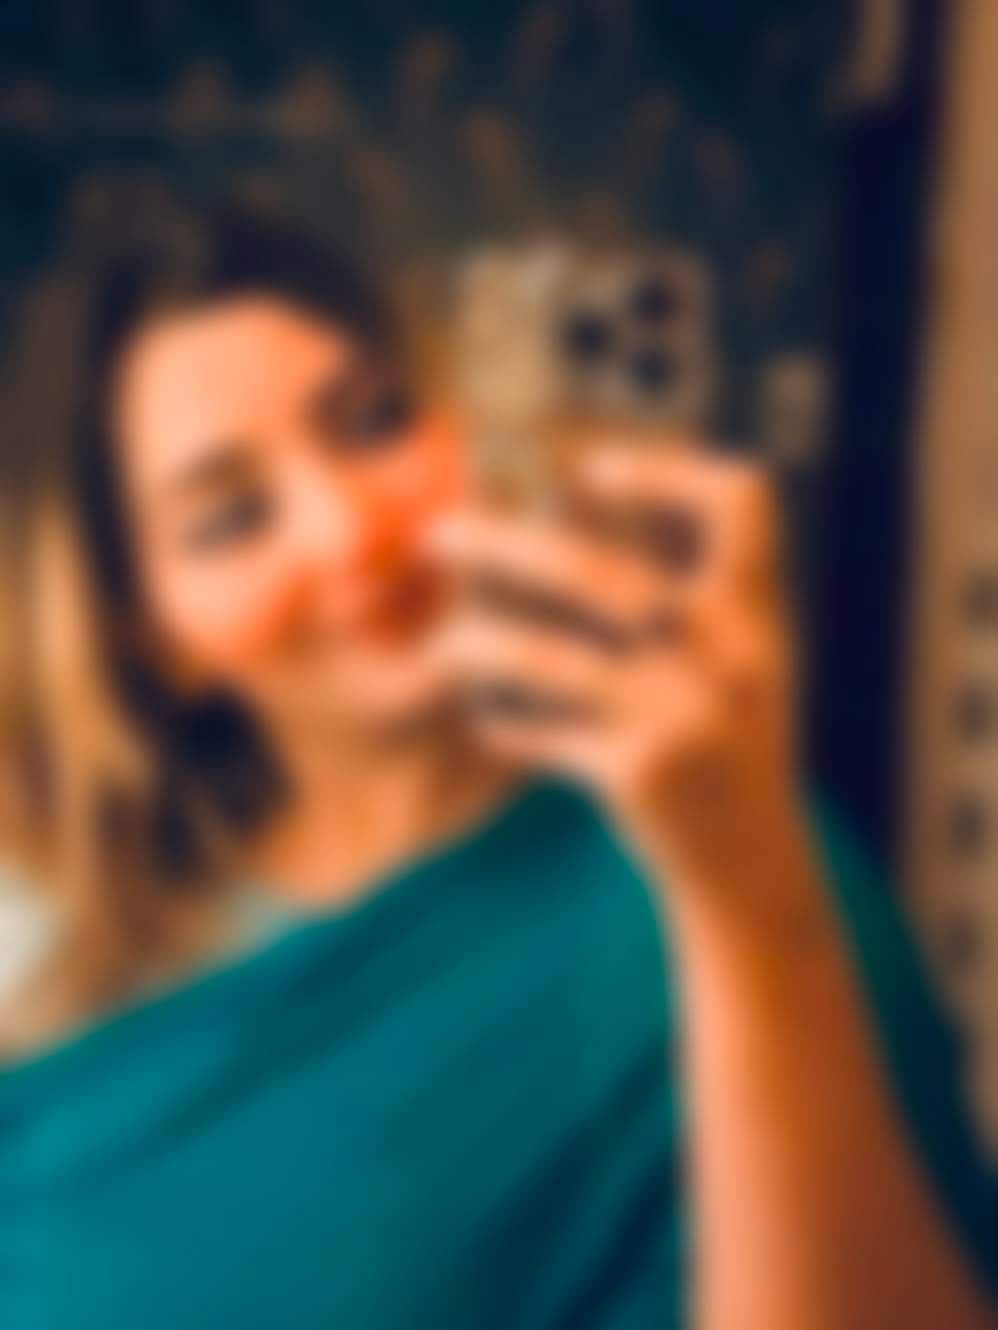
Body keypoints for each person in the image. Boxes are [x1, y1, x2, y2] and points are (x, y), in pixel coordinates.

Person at [0, 203, 993, 1330]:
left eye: (374, 422)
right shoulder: (61, 945)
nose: (351, 528)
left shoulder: (743, 866)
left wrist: (742, 884)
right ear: (148, 636)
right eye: (231, 518)